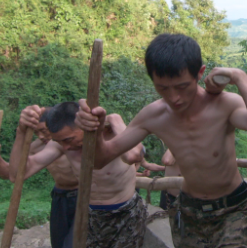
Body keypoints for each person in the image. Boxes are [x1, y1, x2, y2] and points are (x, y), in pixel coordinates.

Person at [75, 33, 247, 248]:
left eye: (182, 87)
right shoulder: (153, 115)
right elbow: (101, 159)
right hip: (188, 210)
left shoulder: (225, 105)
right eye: (163, 88)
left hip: (232, 208)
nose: (174, 97)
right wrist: (97, 131)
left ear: (200, 74)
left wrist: (240, 77)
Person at [11, 102, 147, 248]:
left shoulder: (112, 135)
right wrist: (21, 132)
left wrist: (116, 120)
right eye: (59, 141)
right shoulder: (61, 145)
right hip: (88, 214)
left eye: (68, 140)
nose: (65, 147)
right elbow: (17, 174)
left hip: (125, 213)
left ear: (82, 126)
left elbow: (133, 156)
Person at [0, 113, 78, 248]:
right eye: (36, 132)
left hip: (83, 196)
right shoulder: (36, 147)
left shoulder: (73, 143)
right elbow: (10, 174)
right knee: (58, 243)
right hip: (60, 197)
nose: (41, 136)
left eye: (44, 131)